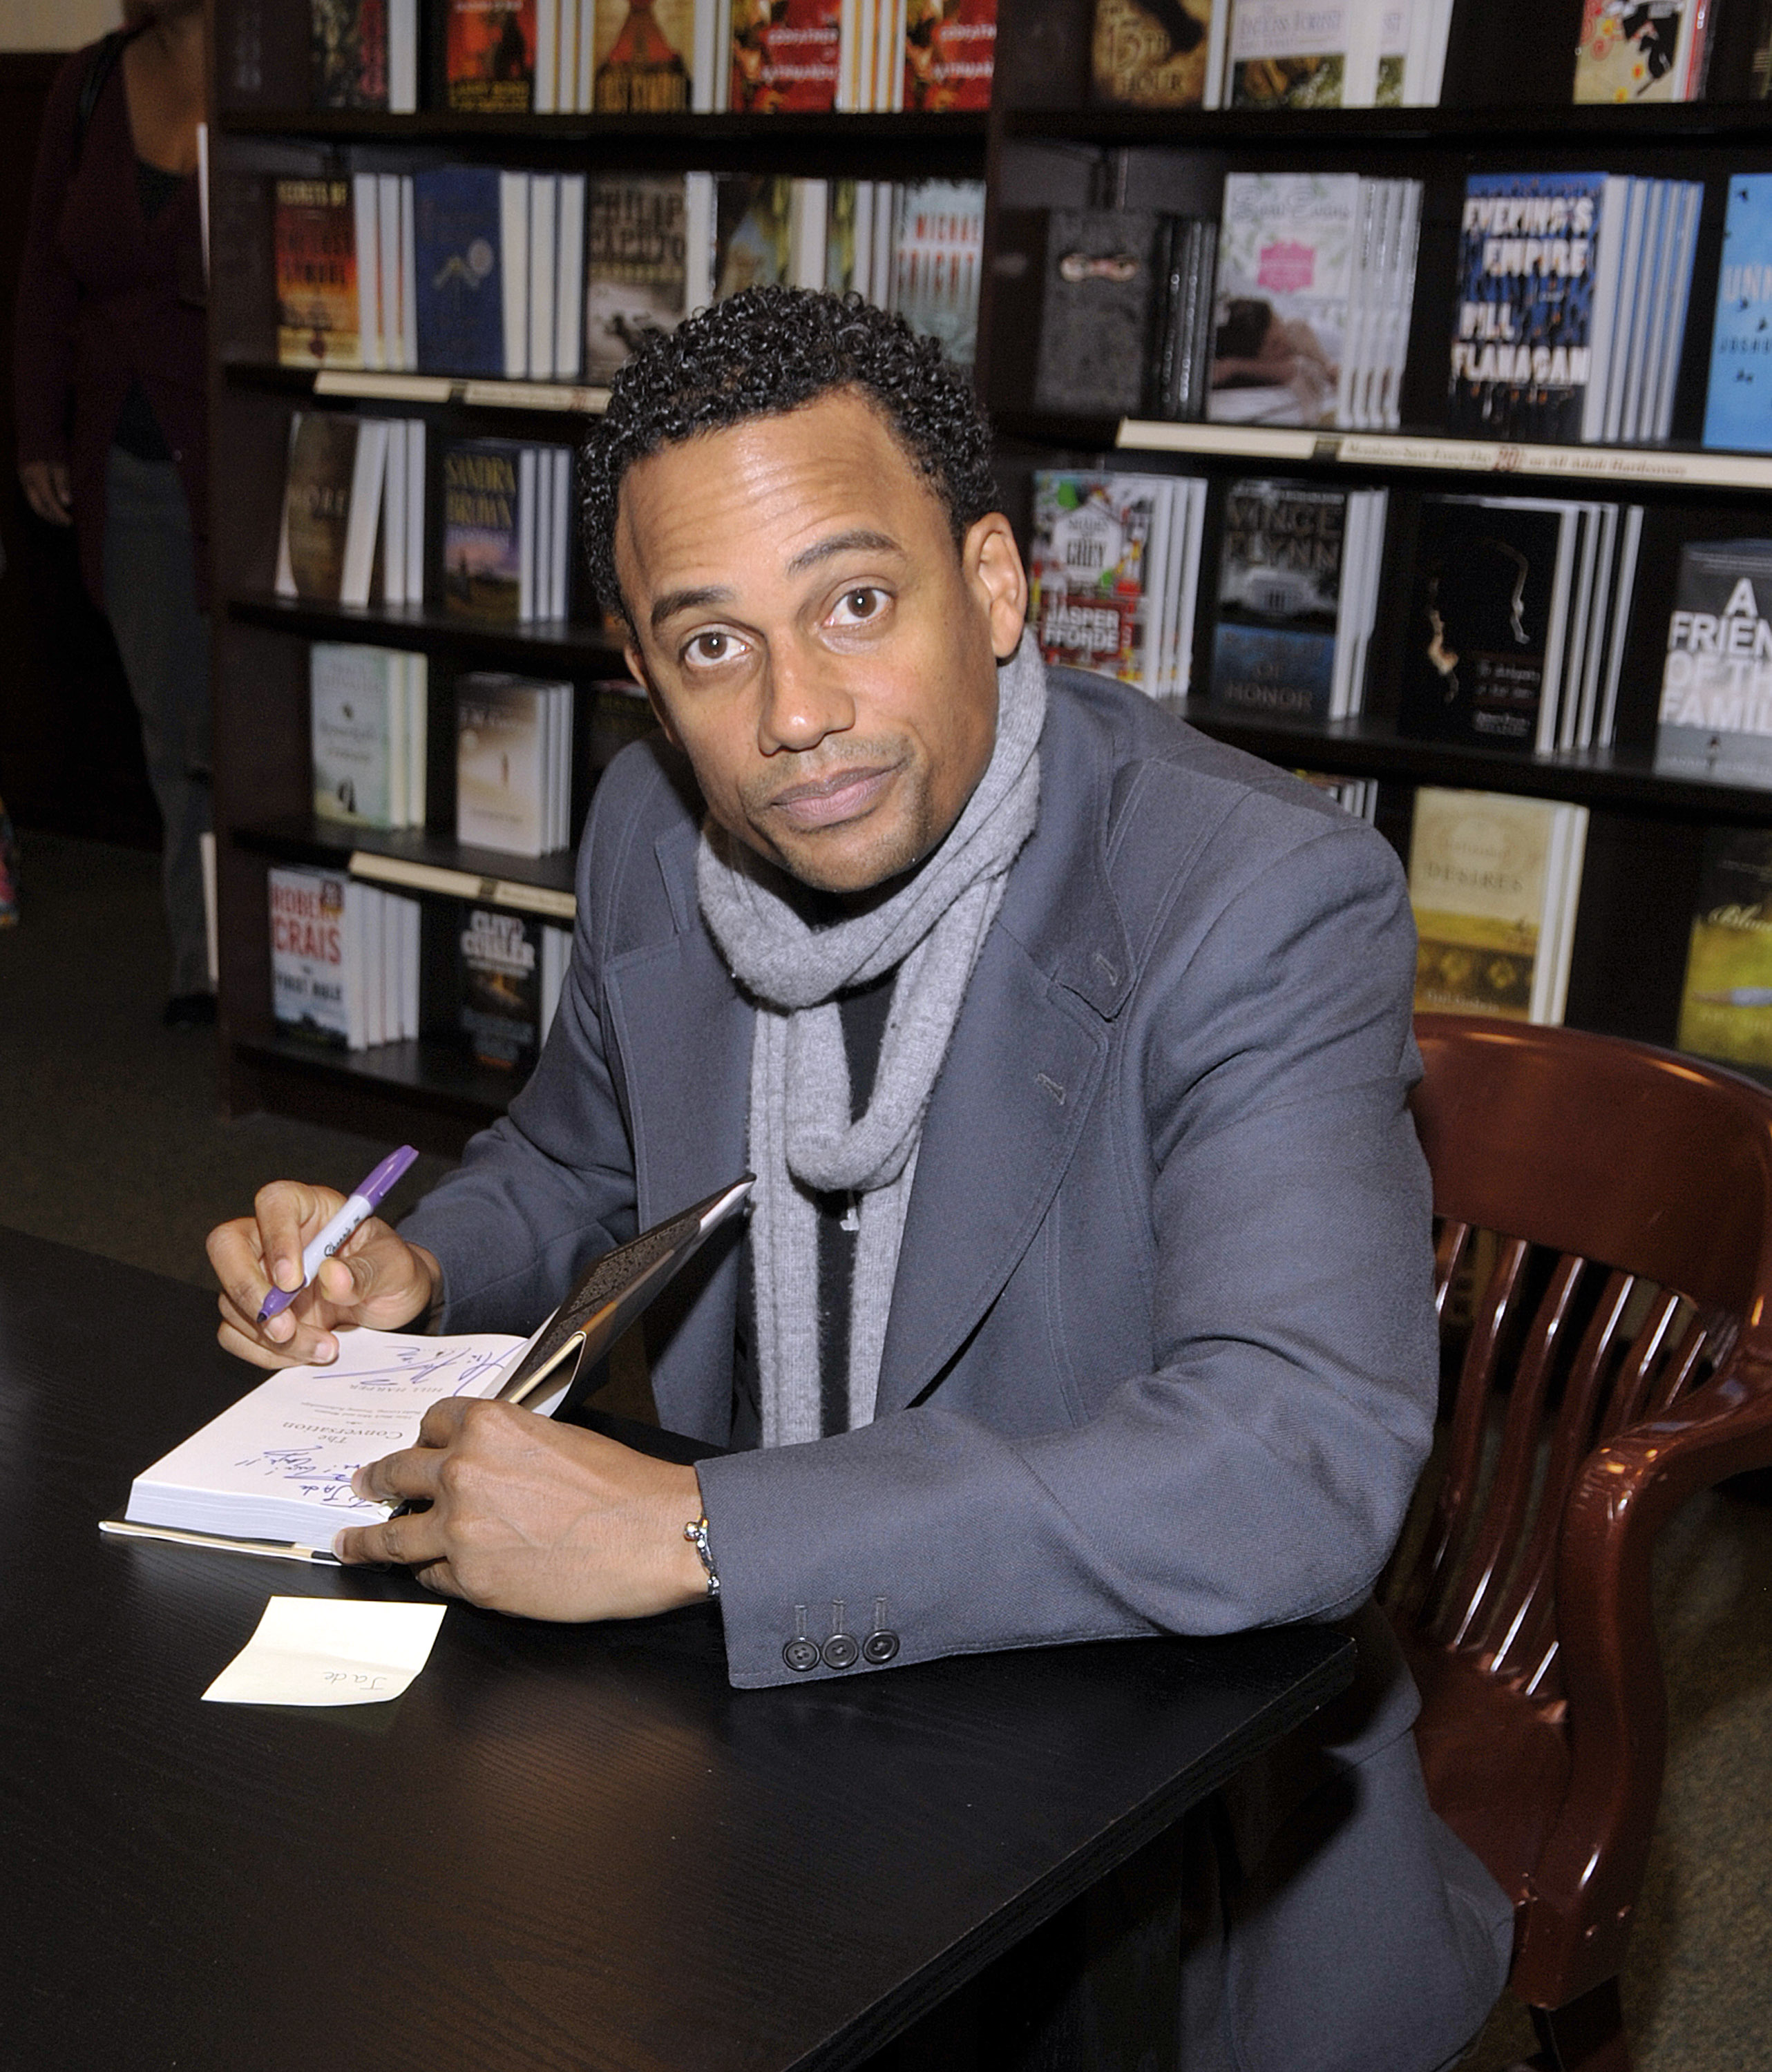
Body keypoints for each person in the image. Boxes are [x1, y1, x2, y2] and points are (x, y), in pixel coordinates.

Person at [207, 289, 1509, 2070]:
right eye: (713, 648)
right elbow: (582, 1160)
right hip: (771, 1744)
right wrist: (413, 1271)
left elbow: (1292, 1465)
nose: (797, 714)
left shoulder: (1254, 898)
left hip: (1154, 1828)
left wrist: (688, 1534)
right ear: (642, 675)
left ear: (991, 584)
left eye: (855, 603)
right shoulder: (656, 833)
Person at [15, 0, 213, 1024]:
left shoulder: (272, 68)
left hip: (254, 459)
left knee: (256, 720)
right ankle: (204, 965)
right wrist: (39, 433)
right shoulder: (86, 84)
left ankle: (280, 971)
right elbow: (46, 281)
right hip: (126, 466)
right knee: (173, 721)